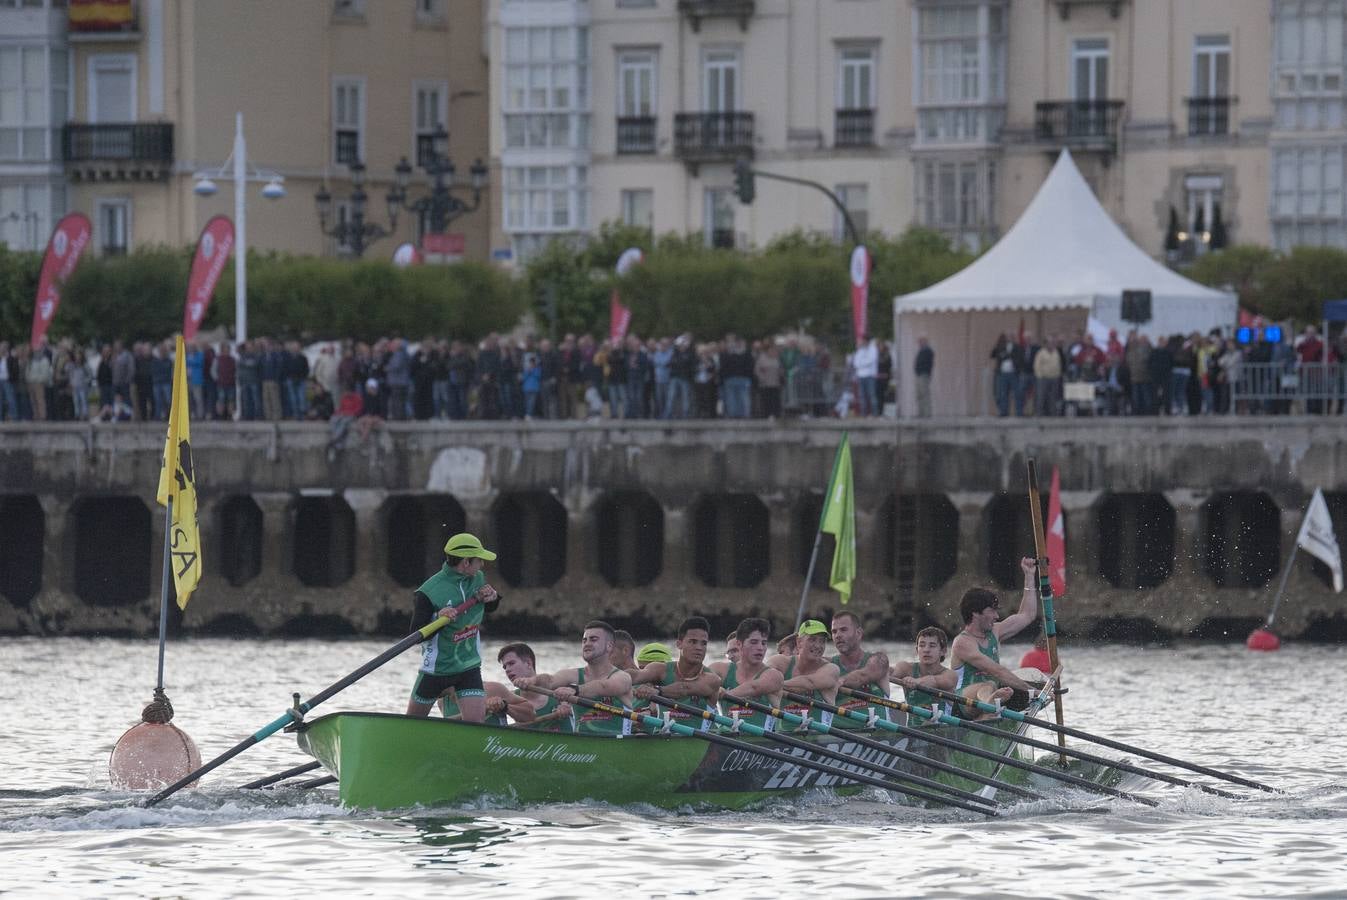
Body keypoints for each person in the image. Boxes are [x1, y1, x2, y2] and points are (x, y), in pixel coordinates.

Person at [405, 533, 501, 721]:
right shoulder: (428, 592)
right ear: (466, 562)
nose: (482, 564)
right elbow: (416, 634)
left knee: (476, 724)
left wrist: (493, 598)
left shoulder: (478, 577)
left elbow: (489, 607)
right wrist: (438, 617)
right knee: (411, 724)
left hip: (469, 666)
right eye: (479, 560)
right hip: (436, 670)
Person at [947, 558, 1040, 713]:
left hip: (990, 700)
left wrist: (1029, 576)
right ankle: (991, 706)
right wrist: (1032, 691)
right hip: (962, 705)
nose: (997, 616)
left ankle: (991, 712)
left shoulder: (995, 631)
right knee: (989, 684)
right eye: (992, 611)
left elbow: (1027, 615)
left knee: (1006, 688)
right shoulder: (963, 642)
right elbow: (997, 671)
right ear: (975, 613)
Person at [515, 621, 634, 735]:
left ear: (609, 646)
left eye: (593, 639)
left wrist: (575, 690)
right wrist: (532, 680)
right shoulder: (573, 675)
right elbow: (550, 680)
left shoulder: (622, 677)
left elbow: (603, 686)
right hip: (580, 747)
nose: (587, 644)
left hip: (616, 745)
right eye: (584, 640)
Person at [632, 616, 722, 730]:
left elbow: (684, 688)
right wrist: (613, 678)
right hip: (665, 738)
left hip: (701, 743)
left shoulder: (712, 679)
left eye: (703, 643)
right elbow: (635, 675)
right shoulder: (660, 669)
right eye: (693, 642)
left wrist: (657, 691)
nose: (699, 648)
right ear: (679, 644)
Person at [710, 617, 783, 731]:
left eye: (763, 643)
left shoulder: (773, 676)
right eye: (754, 642)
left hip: (763, 743)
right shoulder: (720, 669)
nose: (760, 648)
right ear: (739, 644)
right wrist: (711, 688)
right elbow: (698, 679)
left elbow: (753, 687)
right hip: (728, 740)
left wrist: (724, 694)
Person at [768, 619, 840, 726]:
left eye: (822, 641)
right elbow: (760, 677)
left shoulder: (831, 669)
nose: (818, 646)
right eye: (812, 640)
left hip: (817, 738)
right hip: (783, 737)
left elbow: (808, 682)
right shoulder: (779, 662)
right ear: (799, 642)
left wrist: (774, 685)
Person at [828, 610, 891, 728]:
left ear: (859, 633)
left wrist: (839, 681)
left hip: (877, 735)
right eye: (834, 631)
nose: (838, 635)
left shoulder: (878, 660)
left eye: (843, 630)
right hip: (837, 736)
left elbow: (863, 676)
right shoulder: (828, 665)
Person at [495, 642, 574, 732]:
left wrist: (571, 709)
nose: (507, 670)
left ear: (528, 663)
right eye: (505, 667)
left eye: (511, 663)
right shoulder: (509, 698)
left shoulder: (561, 692)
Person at [891, 626, 959, 723]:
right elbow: (888, 673)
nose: (926, 650)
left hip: (942, 733)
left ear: (943, 651)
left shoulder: (950, 675)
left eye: (932, 645)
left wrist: (916, 681)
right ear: (917, 650)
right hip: (912, 733)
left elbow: (934, 681)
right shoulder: (905, 668)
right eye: (922, 645)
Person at [913, 336, 934, 418]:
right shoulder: (921, 351)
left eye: (920, 341)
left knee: (925, 394)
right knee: (919, 395)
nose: (919, 343)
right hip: (919, 374)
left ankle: (927, 413)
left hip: (924, 374)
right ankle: (921, 413)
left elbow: (925, 363)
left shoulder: (928, 351)